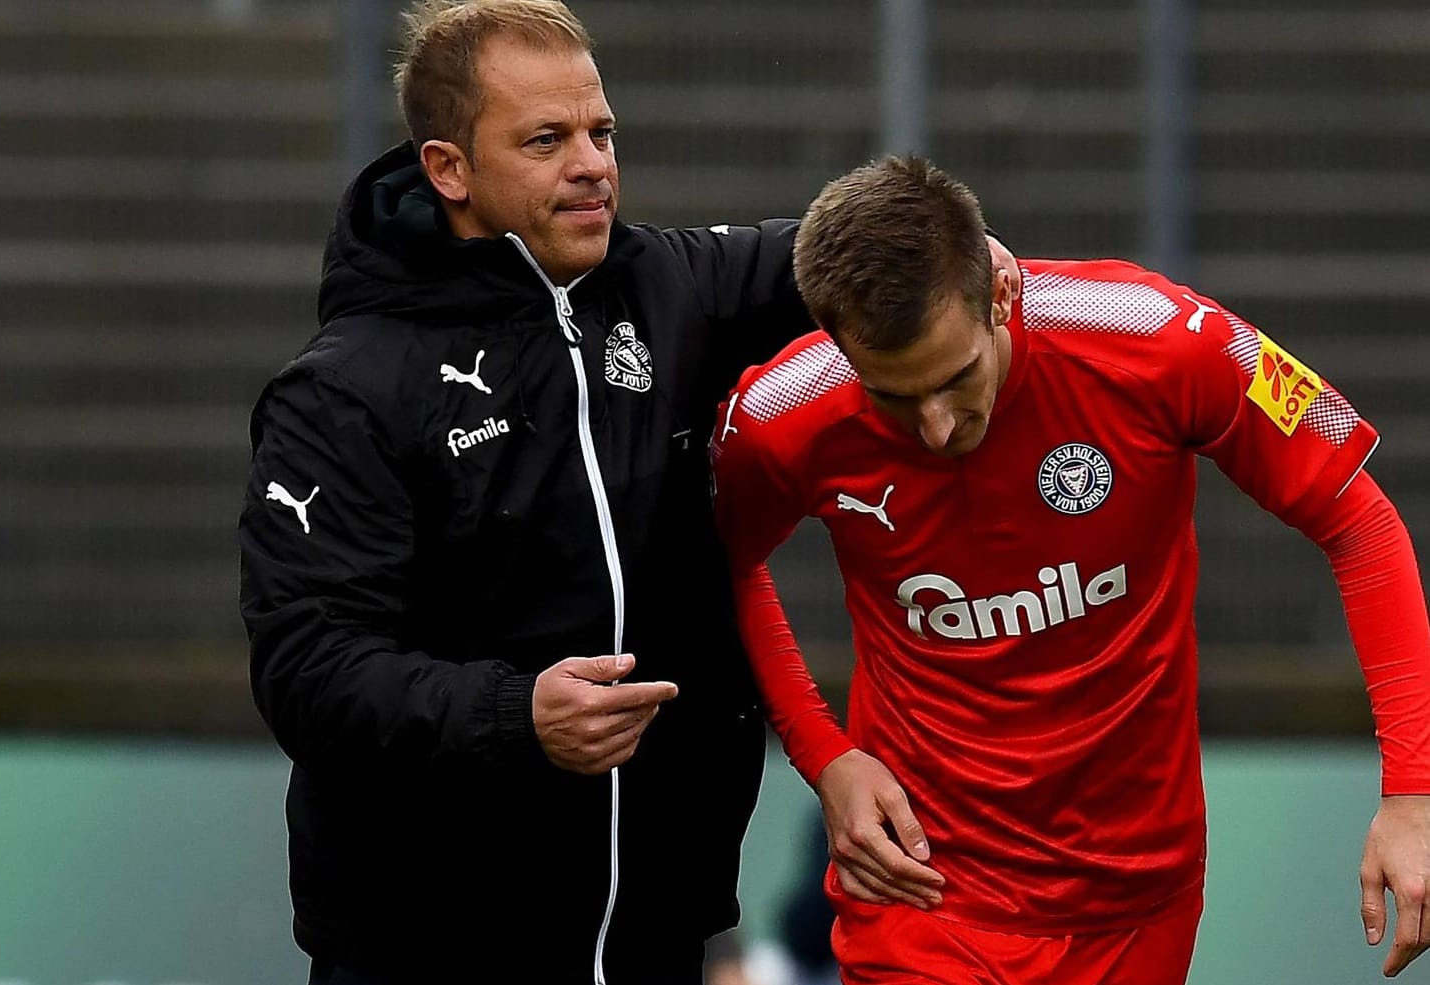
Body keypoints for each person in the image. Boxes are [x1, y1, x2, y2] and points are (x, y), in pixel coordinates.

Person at [710, 156, 1430, 984]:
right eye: (894, 398)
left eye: (954, 379)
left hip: (1135, 895)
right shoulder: (778, 415)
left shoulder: (1162, 337)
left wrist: (1410, 789)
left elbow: (1360, 521)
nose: (936, 427)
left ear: (1002, 295)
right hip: (921, 887)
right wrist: (825, 757)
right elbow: (718, 565)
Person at [236, 1, 818, 981]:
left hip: (655, 930)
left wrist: (964, 257)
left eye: (601, 132)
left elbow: (844, 252)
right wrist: (518, 715)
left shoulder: (663, 285)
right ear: (449, 169)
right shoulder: (345, 390)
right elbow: (308, 668)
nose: (591, 163)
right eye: (546, 139)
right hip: (431, 944)